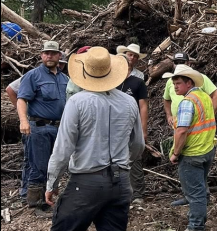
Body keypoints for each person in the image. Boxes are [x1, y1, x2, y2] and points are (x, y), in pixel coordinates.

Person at [45, 46, 144, 231]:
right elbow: (138, 144)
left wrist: (52, 183)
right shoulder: (129, 102)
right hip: (121, 182)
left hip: (86, 182)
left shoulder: (77, 102)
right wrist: (123, 166)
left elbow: (63, 149)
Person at [16, 40, 68, 215]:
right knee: (38, 165)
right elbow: (21, 99)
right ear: (41, 56)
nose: (49, 56)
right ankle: (35, 204)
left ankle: (48, 198)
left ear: (59, 55)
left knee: (54, 165)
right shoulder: (33, 75)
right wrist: (23, 120)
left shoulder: (64, 78)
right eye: (46, 53)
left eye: (53, 53)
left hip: (58, 128)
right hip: (38, 127)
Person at [167, 65, 217, 231]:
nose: (175, 87)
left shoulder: (187, 102)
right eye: (174, 83)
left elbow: (181, 131)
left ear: (189, 83)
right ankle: (198, 217)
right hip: (207, 149)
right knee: (200, 188)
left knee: (196, 194)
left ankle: (195, 226)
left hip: (192, 154)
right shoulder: (203, 96)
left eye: (178, 83)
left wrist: (175, 153)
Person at [115, 45, 150, 204]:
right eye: (129, 56)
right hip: (113, 125)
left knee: (134, 157)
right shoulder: (110, 79)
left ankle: (137, 193)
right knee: (113, 157)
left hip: (132, 124)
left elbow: (143, 106)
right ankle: (116, 190)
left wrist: (143, 129)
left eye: (135, 56)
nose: (131, 59)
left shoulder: (138, 81)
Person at [165, 52, 217, 128]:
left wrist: (209, 116)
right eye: (176, 62)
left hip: (197, 126)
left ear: (189, 63)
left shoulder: (200, 78)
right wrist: (169, 115)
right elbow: (166, 99)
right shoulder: (170, 81)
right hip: (178, 125)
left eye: (182, 62)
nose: (179, 65)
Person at [6, 75, 30, 201]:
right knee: (30, 160)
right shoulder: (33, 75)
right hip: (33, 124)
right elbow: (10, 89)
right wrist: (23, 116)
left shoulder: (61, 77)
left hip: (52, 125)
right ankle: (25, 193)